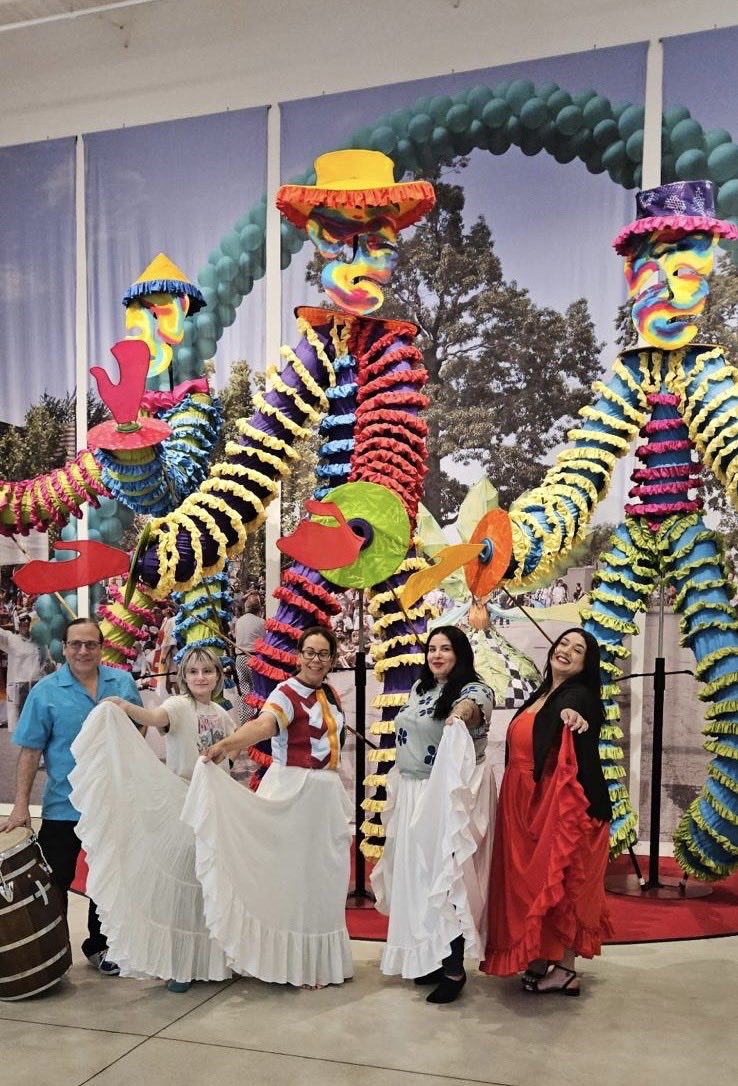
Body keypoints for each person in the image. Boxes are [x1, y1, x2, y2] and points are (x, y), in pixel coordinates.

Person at [195, 625, 352, 989]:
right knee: (292, 876)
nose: (315, 659)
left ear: (331, 659)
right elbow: (264, 726)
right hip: (293, 791)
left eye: (323, 654)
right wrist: (227, 744)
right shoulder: (285, 693)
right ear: (298, 655)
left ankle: (317, 961)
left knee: (324, 879)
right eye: (309, 652)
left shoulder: (329, 692)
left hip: (324, 796)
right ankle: (292, 963)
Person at [69, 645, 234, 992]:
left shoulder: (222, 713)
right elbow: (155, 719)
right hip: (183, 802)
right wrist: (125, 707)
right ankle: (180, 965)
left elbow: (231, 756)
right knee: (184, 881)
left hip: (216, 807)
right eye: (193, 672)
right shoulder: (178, 706)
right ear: (183, 678)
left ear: (219, 675)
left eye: (207, 671)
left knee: (211, 883)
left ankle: (212, 957)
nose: (200, 677)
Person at [0, 617, 143, 975]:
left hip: (112, 804)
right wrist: (21, 805)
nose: (83, 651)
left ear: (101, 647)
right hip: (65, 805)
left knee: (107, 879)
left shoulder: (122, 683)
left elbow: (141, 725)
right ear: (64, 648)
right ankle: (52, 949)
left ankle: (101, 945)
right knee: (55, 881)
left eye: (90, 644)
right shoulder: (46, 692)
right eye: (75, 644)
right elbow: (30, 752)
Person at [481, 627, 612, 996]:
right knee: (532, 883)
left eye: (578, 649)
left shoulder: (579, 696)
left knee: (565, 880)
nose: (566, 650)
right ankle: (539, 956)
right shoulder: (542, 693)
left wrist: (575, 716)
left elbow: (584, 713)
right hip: (525, 799)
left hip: (564, 804)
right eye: (564, 643)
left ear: (587, 663)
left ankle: (566, 970)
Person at [370, 626, 497, 1004]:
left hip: (446, 793)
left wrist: (458, 716)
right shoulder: (419, 689)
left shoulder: (475, 690)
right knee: (416, 878)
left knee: (446, 875)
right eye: (432, 648)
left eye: (446, 648)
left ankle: (454, 968)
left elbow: (470, 710)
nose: (437, 655)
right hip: (411, 791)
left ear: (460, 653)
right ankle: (427, 957)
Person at [0, 612, 47, 732]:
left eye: (27, 622)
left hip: (37, 683)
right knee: (21, 717)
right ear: (17, 623)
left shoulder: (37, 641)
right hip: (20, 685)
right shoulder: (11, 639)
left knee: (37, 716)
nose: (25, 624)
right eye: (22, 622)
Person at [233, 591, 265, 724]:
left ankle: (246, 721)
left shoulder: (239, 621)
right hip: (254, 658)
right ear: (260, 608)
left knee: (245, 691)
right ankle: (258, 719)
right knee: (258, 690)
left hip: (240, 659)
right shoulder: (262, 622)